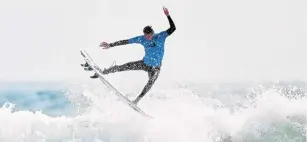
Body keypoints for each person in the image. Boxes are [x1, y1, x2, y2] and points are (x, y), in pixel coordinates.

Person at [91, 6, 176, 104]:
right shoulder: (142, 38)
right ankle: (104, 72)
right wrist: (110, 45)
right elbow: (126, 41)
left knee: (150, 82)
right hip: (144, 63)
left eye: (149, 36)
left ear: (153, 33)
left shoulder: (161, 36)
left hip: (155, 68)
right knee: (124, 66)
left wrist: (168, 15)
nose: (147, 38)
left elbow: (173, 28)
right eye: (145, 36)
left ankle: (137, 100)